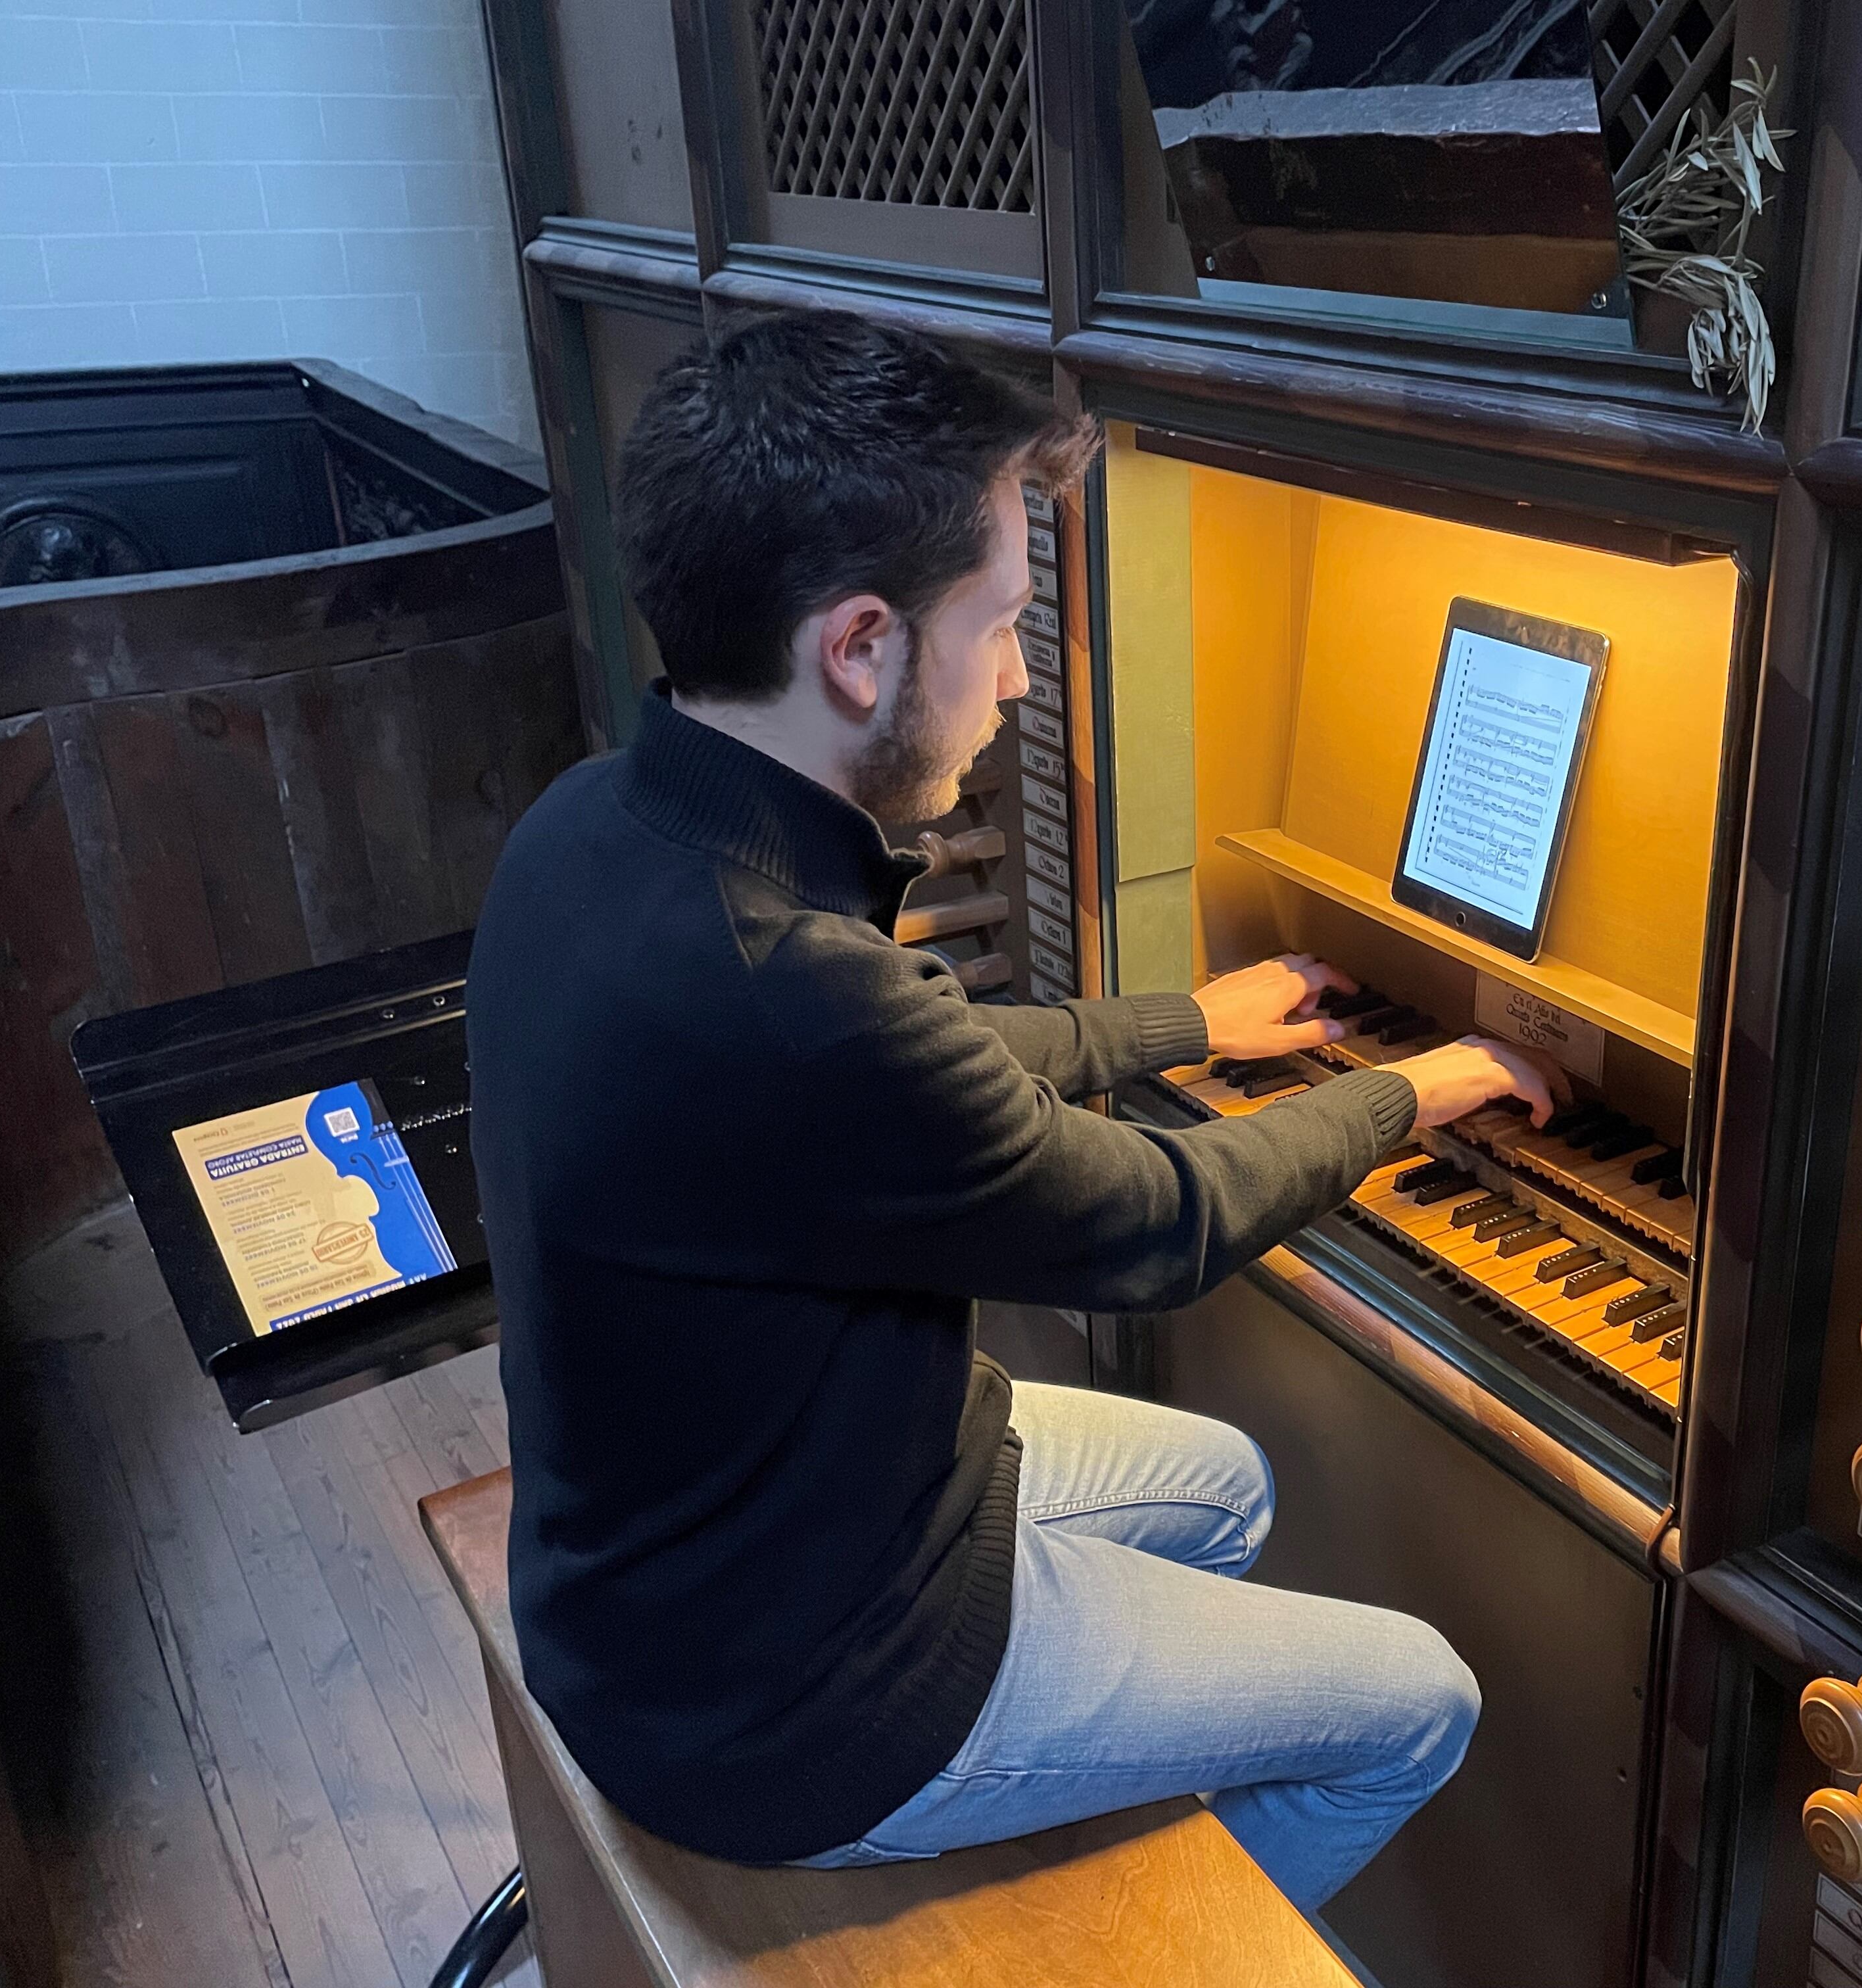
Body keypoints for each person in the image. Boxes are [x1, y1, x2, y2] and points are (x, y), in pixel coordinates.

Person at [465, 308, 1560, 1912]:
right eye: (1000, 626)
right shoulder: (793, 994)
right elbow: (1160, 1222)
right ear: (858, 649)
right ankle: (1135, 1949)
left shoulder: (594, 832)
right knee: (1414, 1705)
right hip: (793, 1703)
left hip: (667, 1583)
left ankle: (1054, 1844)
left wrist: (1188, 1022)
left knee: (1229, 1487)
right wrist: (1425, 1083)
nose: (1024, 679)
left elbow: (914, 1070)